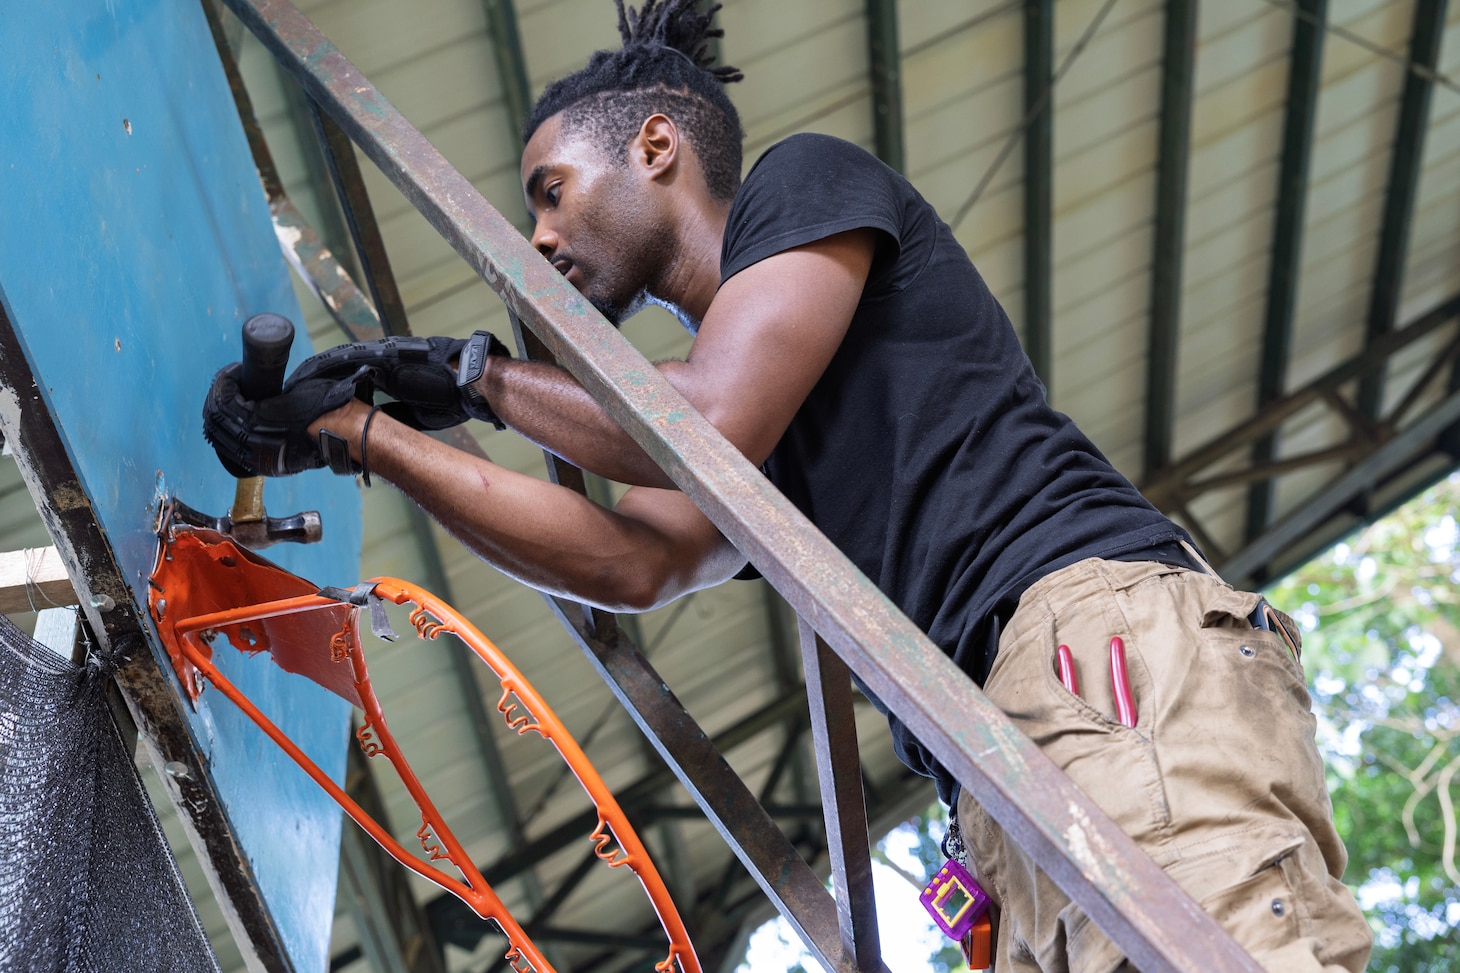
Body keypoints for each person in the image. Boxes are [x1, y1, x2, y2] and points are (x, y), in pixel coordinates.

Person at [202, 1, 1372, 969]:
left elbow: (701, 420)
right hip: (1002, 747)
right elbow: (632, 560)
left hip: (1092, 642)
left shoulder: (803, 187)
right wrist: (363, 433)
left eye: (551, 191)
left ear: (655, 147)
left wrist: (471, 379)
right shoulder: (736, 414)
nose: (540, 238)